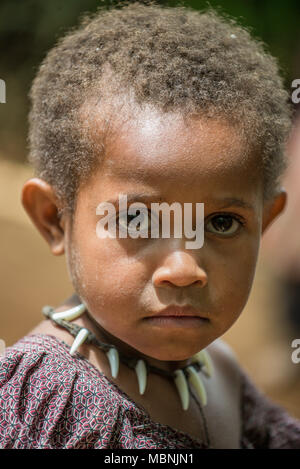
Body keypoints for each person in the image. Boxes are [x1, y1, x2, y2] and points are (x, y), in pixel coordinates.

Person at [0, 0, 299, 449]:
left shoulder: (220, 371)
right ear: (53, 218)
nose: (183, 268)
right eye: (137, 219)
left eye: (221, 222)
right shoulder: (54, 397)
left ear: (266, 222)